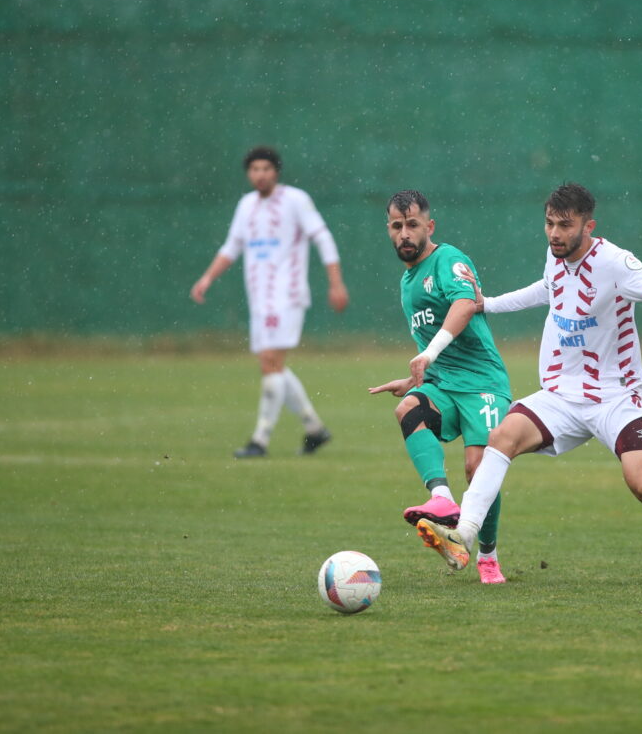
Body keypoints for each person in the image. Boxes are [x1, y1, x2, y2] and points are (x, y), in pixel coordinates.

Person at [415, 183, 642, 586]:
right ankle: (463, 535)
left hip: (616, 398)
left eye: (565, 225)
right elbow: (548, 289)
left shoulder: (617, 263)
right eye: (549, 223)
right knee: (500, 438)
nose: (554, 233)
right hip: (560, 396)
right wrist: (490, 303)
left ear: (588, 226)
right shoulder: (556, 256)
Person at [368, 190, 514, 584]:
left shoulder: (449, 259)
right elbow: (430, 342)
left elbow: (466, 305)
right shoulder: (407, 281)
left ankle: (488, 555)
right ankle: (443, 501)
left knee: (478, 468)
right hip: (444, 384)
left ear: (429, 227)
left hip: (483, 382)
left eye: (412, 224)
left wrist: (428, 356)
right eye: (397, 226)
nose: (404, 234)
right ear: (388, 230)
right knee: (408, 410)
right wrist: (415, 377)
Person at [190, 146, 349, 458]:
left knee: (269, 363)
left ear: (276, 171)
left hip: (286, 296)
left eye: (265, 168)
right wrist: (207, 277)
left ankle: (260, 440)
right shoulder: (246, 205)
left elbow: (323, 237)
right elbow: (232, 246)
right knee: (273, 364)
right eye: (254, 169)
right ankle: (314, 428)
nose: (259, 174)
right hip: (259, 299)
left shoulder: (295, 200)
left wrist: (336, 282)